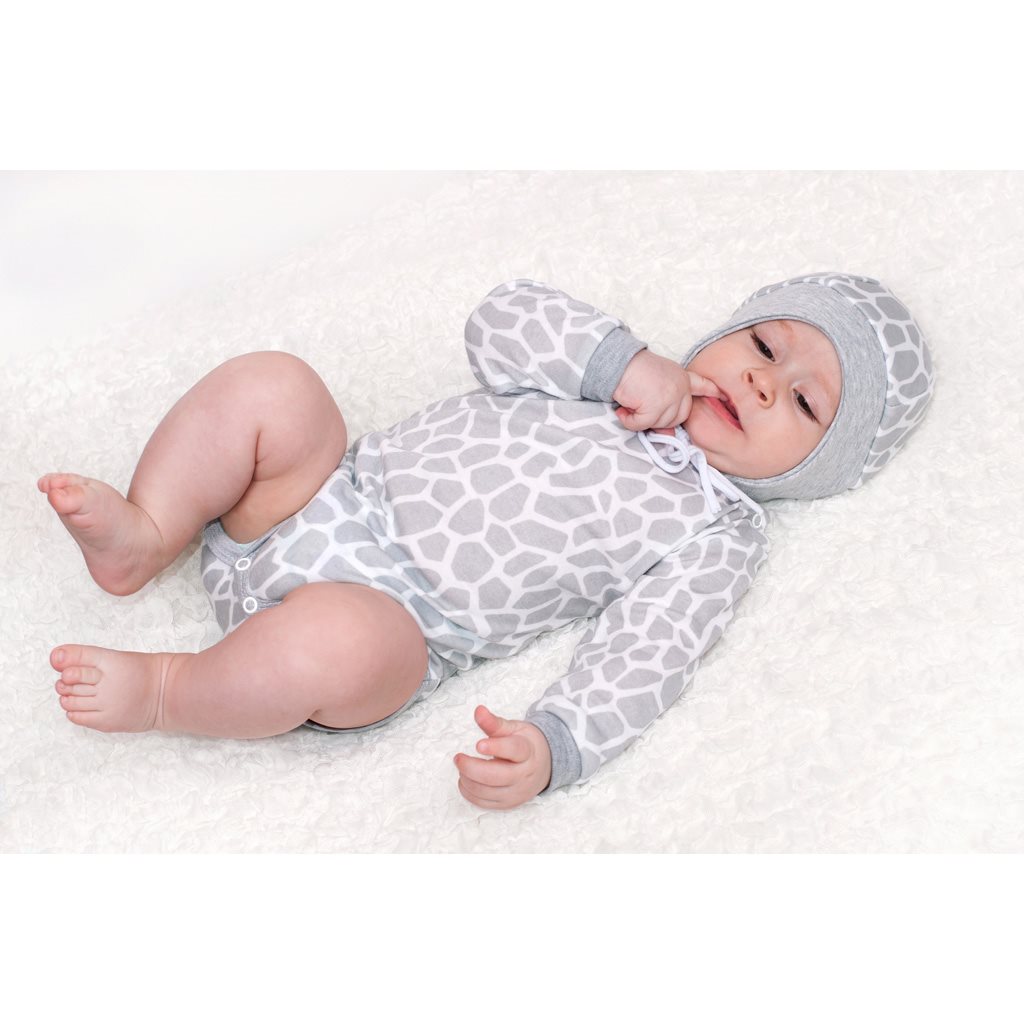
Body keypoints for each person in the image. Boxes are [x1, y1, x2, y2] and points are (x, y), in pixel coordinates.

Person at [38, 273, 934, 810]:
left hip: (394, 620)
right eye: (764, 344)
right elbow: (499, 319)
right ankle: (150, 531)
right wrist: (618, 363)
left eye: (805, 402)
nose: (764, 381)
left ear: (815, 469)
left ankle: (170, 690)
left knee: (340, 642)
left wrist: (555, 746)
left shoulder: (719, 529)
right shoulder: (619, 370)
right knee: (276, 386)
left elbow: (649, 655)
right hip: (315, 494)